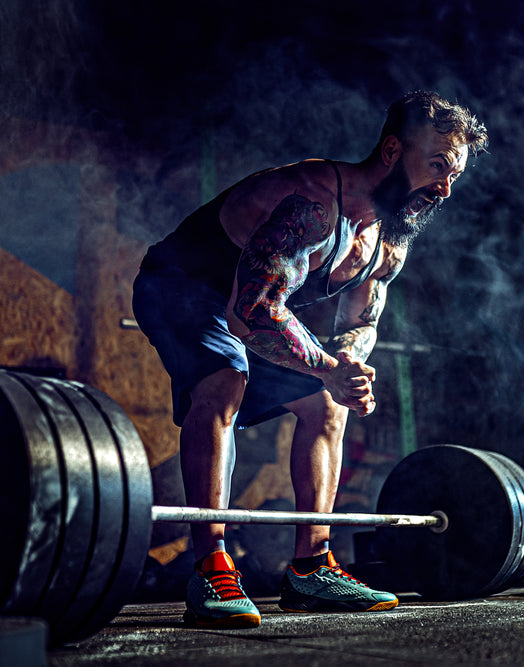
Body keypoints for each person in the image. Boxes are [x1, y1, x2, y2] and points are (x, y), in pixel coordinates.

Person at [132, 90, 488, 628]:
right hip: (182, 286)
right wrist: (327, 365)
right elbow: (250, 311)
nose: (443, 189)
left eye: (453, 176)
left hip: (248, 304)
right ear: (392, 151)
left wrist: (346, 369)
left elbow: (360, 323)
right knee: (225, 380)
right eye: (437, 166)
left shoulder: (387, 240)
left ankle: (311, 567)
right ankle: (210, 566)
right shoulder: (313, 202)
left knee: (328, 403)